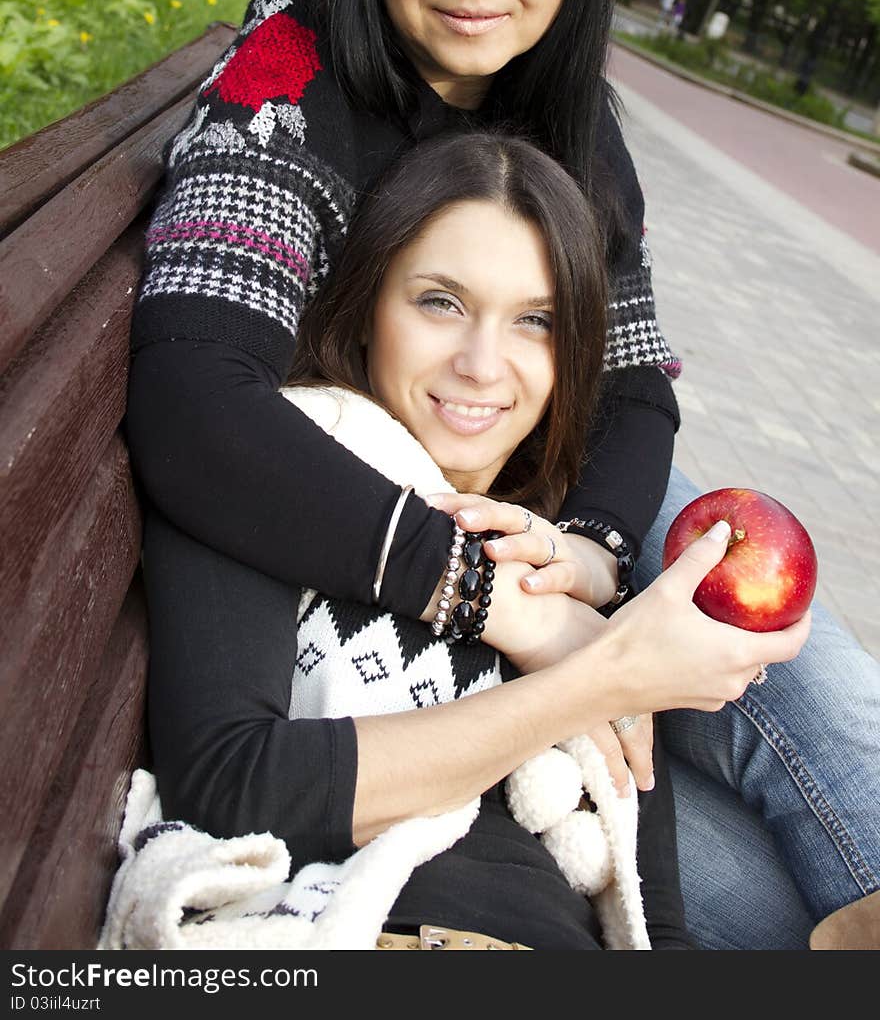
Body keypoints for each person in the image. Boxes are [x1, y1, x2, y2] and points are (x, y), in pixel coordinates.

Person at [127, 0, 880, 949]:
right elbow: (195, 397)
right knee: (762, 880)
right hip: (363, 535)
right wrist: (492, 597)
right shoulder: (291, 83)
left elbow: (634, 394)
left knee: (770, 630)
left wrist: (585, 555)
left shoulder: (573, 122)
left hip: (536, 519)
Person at [141, 132, 806, 951]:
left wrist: (607, 661)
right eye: (440, 303)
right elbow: (230, 785)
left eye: (536, 321)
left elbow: (652, 914)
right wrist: (594, 681)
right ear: (366, 309)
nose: (483, 364)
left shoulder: (571, 570)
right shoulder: (271, 479)